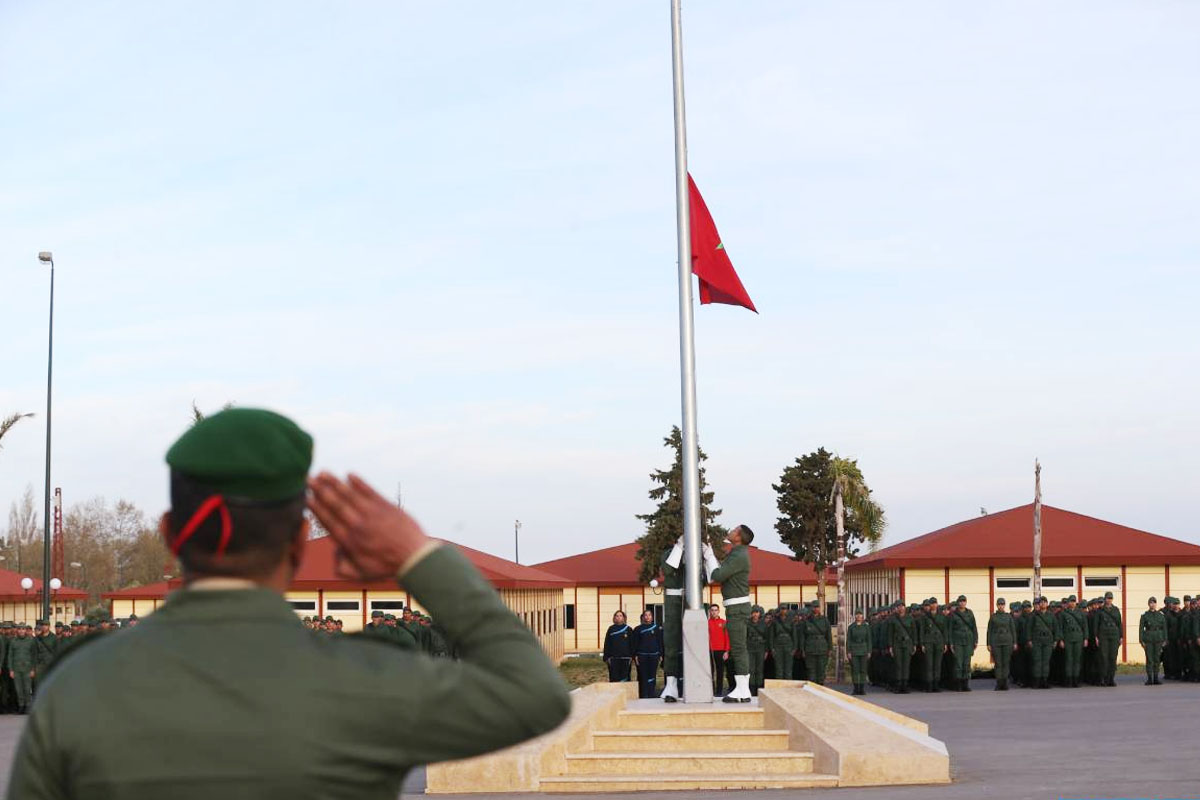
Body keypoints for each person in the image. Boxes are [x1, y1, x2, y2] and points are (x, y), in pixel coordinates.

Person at [7, 407, 570, 798]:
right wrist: (418, 557)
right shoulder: (367, 681)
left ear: (171, 532)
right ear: (301, 542)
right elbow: (533, 692)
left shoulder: (80, 688)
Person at [703, 525, 754, 703]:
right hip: (735, 607)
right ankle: (742, 689)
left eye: (734, 529)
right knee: (739, 649)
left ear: (739, 536)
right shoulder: (737, 553)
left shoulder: (738, 554)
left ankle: (743, 690)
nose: (730, 530)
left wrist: (709, 557)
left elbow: (718, 575)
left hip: (737, 608)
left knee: (739, 649)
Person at [631, 610, 664, 699]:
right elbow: (635, 643)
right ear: (643, 617)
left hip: (654, 656)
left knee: (652, 675)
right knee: (643, 676)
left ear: (652, 617)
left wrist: (661, 654)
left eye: (649, 615)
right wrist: (635, 656)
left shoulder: (657, 628)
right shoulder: (638, 629)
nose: (647, 617)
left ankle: (651, 694)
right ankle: (643, 695)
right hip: (642, 656)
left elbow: (660, 642)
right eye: (645, 615)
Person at [986, 598, 1016, 690]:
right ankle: (999, 683)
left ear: (1004, 605)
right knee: (998, 663)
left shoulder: (1008, 616)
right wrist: (988, 643)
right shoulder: (993, 617)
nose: (1001, 606)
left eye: (1002, 604)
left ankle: (1005, 682)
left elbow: (1013, 630)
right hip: (996, 642)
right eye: (999, 604)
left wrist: (1014, 642)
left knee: (1006, 662)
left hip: (1007, 641)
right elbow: (989, 631)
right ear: (997, 605)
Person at [5, 625, 35, 714]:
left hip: (27, 669)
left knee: (27, 689)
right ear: (17, 631)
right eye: (20, 629)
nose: (21, 631)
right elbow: (10, 656)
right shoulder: (13, 641)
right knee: (18, 689)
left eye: (23, 629)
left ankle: (28, 707)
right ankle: (21, 706)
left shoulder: (30, 641)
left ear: (25, 630)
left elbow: (34, 655)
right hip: (16, 669)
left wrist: (33, 669)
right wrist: (11, 669)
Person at [1096, 590, 1123, 687]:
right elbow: (1096, 625)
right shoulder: (1100, 610)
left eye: (1111, 598)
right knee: (1104, 658)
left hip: (1114, 635)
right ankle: (1103, 679)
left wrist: (1121, 636)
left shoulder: (1116, 610)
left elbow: (1120, 623)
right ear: (1105, 599)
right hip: (1103, 636)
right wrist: (1096, 637)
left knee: (1113, 657)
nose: (1109, 600)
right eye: (1108, 598)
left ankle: (1111, 678)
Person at [887, 602, 915, 693]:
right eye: (899, 606)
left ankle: (905, 684)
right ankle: (898, 685)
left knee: (906, 665)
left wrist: (914, 644)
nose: (901, 608)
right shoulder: (893, 619)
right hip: (897, 644)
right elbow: (890, 633)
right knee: (898, 665)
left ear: (905, 607)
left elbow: (913, 632)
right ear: (897, 608)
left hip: (907, 643)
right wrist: (890, 646)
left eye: (902, 606)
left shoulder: (910, 618)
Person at [801, 601, 832, 686]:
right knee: (811, 670)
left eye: (817, 607)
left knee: (821, 669)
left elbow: (828, 635)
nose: (816, 609)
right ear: (811, 608)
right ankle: (812, 689)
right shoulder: (806, 621)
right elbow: (803, 636)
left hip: (822, 648)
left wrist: (830, 648)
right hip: (810, 648)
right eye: (814, 607)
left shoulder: (824, 620)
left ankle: (820, 688)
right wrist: (803, 649)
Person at [1139, 596, 1166, 686]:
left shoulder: (1160, 615)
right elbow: (1141, 629)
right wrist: (1141, 640)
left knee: (1157, 659)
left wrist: (1165, 639)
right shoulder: (1145, 615)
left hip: (1158, 638)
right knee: (1149, 659)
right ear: (1148, 604)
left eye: (1154, 603)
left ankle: (1156, 677)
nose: (1152, 604)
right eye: (1151, 603)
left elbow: (1164, 628)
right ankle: (1150, 678)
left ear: (1156, 604)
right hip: (1149, 639)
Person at [603, 611, 635, 683]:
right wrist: (606, 657)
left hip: (626, 659)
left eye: (620, 616)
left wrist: (632, 657)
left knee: (625, 679)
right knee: (614, 679)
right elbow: (607, 643)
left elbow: (632, 644)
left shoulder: (628, 629)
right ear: (614, 618)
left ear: (624, 618)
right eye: (617, 616)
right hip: (613, 659)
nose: (618, 617)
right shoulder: (611, 629)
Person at [707, 604, 730, 696]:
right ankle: (711, 691)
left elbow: (727, 637)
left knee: (720, 672)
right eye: (712, 610)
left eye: (716, 610)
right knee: (710, 672)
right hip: (710, 651)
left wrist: (727, 651)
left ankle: (719, 692)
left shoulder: (724, 622)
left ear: (719, 611)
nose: (714, 612)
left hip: (721, 650)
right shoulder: (707, 622)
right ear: (709, 611)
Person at [846, 610, 871, 695]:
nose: (858, 616)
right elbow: (848, 640)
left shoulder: (866, 626)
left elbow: (869, 640)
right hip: (854, 650)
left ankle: (862, 688)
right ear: (855, 616)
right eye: (857, 614)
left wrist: (869, 651)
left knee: (863, 669)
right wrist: (848, 651)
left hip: (864, 649)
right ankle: (856, 688)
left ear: (862, 616)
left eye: (860, 614)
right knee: (855, 670)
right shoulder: (851, 627)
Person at [768, 606, 796, 680]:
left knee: (788, 669)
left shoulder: (791, 621)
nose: (783, 611)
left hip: (788, 645)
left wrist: (794, 648)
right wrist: (772, 648)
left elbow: (794, 635)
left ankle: (788, 689)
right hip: (778, 646)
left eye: (785, 609)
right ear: (779, 610)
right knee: (778, 669)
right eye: (782, 609)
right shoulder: (774, 621)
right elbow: (771, 635)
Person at [746, 605, 768, 696]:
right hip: (750, 648)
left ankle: (759, 688)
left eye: (757, 612)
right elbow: (745, 637)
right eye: (754, 612)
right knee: (751, 669)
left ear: (760, 613)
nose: (755, 614)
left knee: (759, 669)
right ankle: (751, 689)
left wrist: (766, 650)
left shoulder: (763, 624)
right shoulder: (747, 624)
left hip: (760, 648)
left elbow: (767, 637)